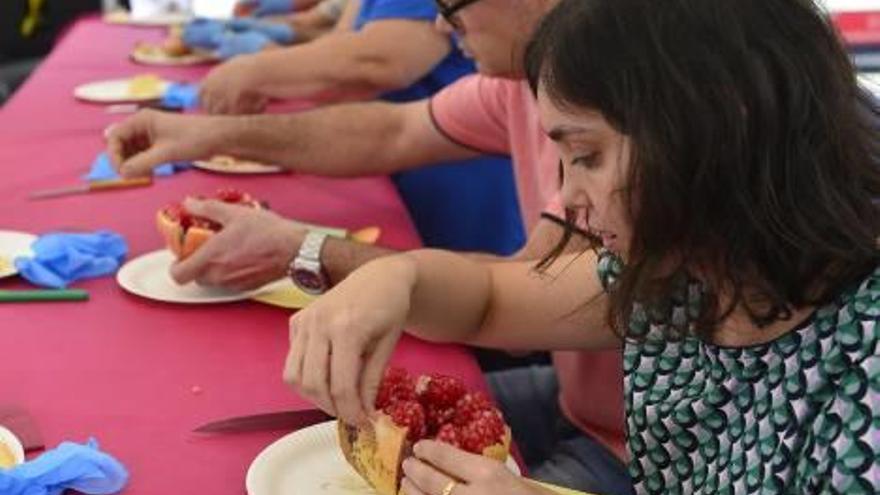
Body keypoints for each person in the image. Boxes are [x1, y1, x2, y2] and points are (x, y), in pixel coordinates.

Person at [280, 0, 880, 493]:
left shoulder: (860, 365)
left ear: (716, 127)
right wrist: (398, 279)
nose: (568, 196)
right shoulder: (691, 267)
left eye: (587, 157)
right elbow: (491, 300)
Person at [105, 0, 632, 492]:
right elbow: (393, 131)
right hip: (573, 402)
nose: (440, 26)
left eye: (449, 4)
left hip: (620, 450)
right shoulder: (529, 86)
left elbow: (526, 295)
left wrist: (310, 251)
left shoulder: (627, 125)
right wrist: (213, 134)